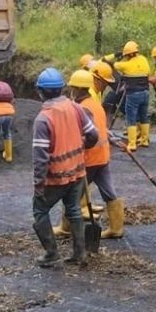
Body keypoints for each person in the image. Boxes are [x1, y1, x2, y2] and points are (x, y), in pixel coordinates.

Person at [31, 68, 98, 268]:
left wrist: (38, 183)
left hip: (55, 177)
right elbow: (92, 135)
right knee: (74, 210)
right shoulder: (75, 108)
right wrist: (80, 147)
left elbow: (40, 157)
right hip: (77, 171)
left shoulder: (44, 118)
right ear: (62, 89)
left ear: (40, 91)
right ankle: (80, 253)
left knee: (40, 211)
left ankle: (51, 253)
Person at [54, 70, 124, 239]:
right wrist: (114, 140)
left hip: (88, 158)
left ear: (75, 88)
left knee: (72, 193)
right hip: (102, 156)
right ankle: (116, 228)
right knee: (109, 192)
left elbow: (88, 133)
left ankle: (66, 227)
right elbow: (102, 129)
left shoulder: (81, 108)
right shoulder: (95, 104)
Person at [113, 41, 151, 152]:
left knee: (131, 118)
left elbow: (115, 65)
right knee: (144, 116)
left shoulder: (125, 65)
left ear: (128, 54)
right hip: (146, 93)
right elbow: (148, 72)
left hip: (133, 94)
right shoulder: (144, 60)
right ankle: (145, 140)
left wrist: (121, 58)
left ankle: (132, 143)